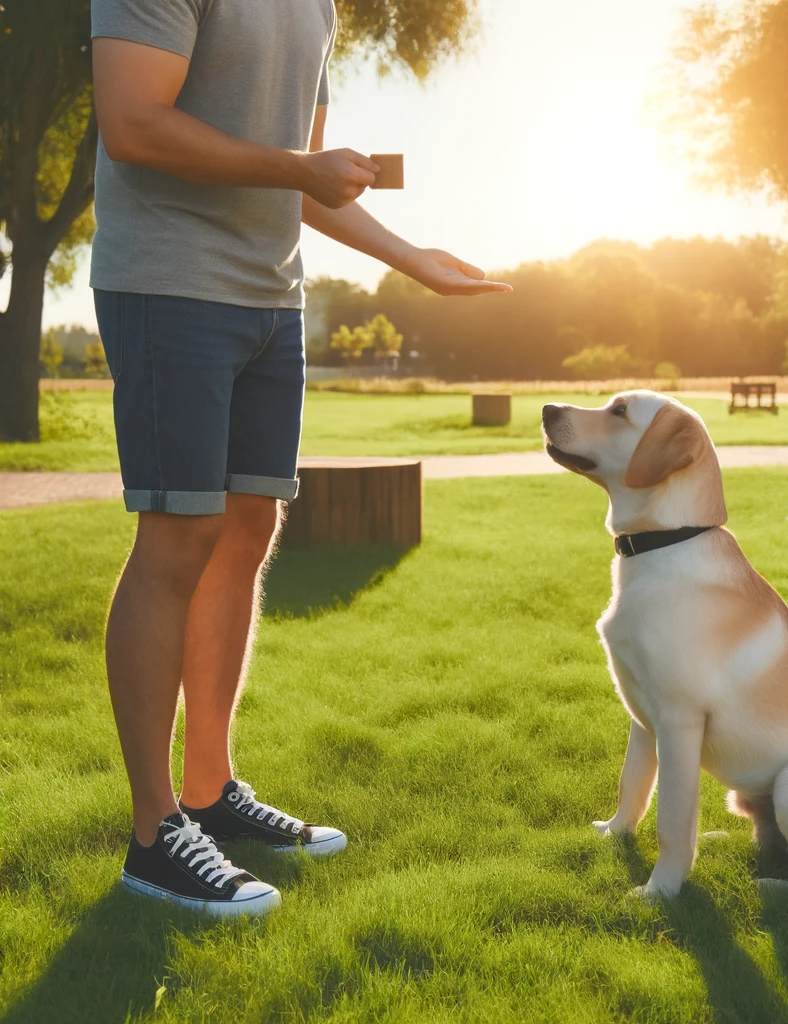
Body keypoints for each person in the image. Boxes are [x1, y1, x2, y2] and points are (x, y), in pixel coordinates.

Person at [90, 0, 510, 917]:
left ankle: (208, 790)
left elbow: (306, 182)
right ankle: (154, 833)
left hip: (270, 299)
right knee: (178, 534)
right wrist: (302, 169)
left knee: (247, 527)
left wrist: (411, 258)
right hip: (169, 282)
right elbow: (133, 124)